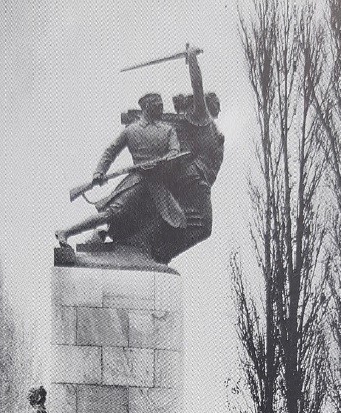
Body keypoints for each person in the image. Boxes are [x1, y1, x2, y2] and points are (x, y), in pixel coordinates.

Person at [55, 93, 186, 248]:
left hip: (158, 184)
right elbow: (110, 151)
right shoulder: (131, 130)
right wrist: (99, 172)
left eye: (161, 105)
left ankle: (134, 247)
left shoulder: (168, 130)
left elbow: (175, 151)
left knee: (177, 221)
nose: (161, 108)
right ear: (146, 107)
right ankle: (67, 232)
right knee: (111, 213)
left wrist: (168, 157)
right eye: (157, 105)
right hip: (136, 182)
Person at [150, 45, 224, 262]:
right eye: (216, 102)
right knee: (205, 227)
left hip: (197, 180)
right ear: (206, 104)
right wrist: (192, 59)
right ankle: (164, 253)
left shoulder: (211, 129)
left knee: (194, 222)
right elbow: (197, 84)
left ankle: (163, 249)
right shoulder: (202, 118)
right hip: (194, 178)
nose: (220, 106)